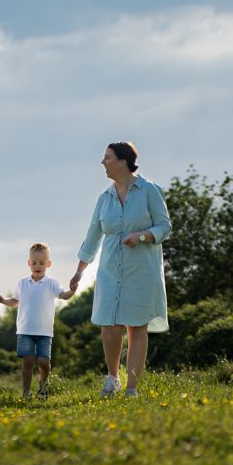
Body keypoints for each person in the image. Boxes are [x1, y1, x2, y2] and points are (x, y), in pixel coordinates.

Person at [68, 141, 172, 399]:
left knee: (137, 327)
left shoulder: (149, 190)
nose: (103, 163)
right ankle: (112, 379)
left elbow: (164, 226)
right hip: (110, 270)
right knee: (110, 325)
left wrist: (144, 236)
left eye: (107, 158)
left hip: (141, 270)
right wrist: (79, 272)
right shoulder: (104, 198)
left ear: (123, 161)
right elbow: (92, 237)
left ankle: (132, 389)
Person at [0, 242, 79, 399]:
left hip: (44, 331)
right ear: (29, 263)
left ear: (48, 264)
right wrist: (1, 300)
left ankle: (43, 387)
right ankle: (26, 393)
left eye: (41, 263)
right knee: (28, 361)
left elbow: (64, 296)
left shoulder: (52, 283)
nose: (37, 266)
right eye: (34, 263)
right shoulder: (22, 283)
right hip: (25, 330)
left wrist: (72, 290)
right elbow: (14, 301)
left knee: (44, 362)